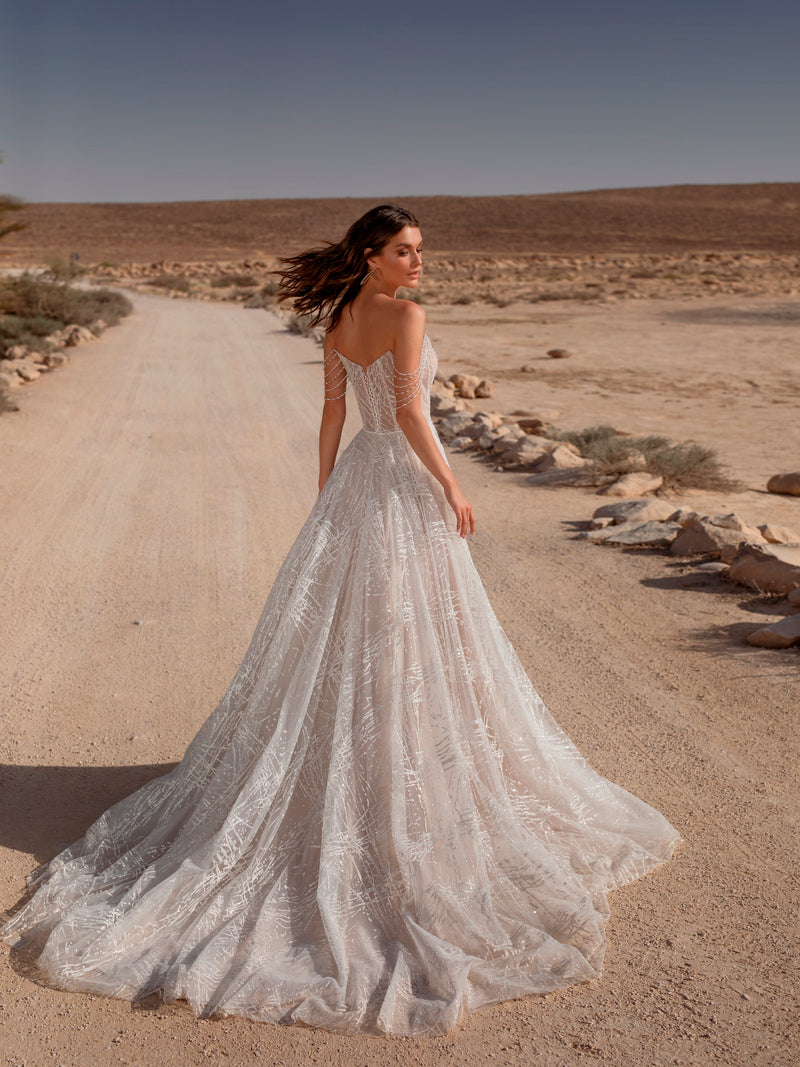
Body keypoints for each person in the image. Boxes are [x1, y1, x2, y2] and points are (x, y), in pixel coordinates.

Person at [2, 204, 682, 1037]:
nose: (419, 262)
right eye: (406, 250)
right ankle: (392, 774)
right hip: (399, 482)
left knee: (368, 634)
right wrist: (453, 486)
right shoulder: (405, 315)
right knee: (410, 632)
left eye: (420, 250)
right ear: (371, 254)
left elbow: (335, 416)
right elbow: (406, 410)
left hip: (357, 483)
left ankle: (363, 757)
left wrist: (325, 496)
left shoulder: (340, 318)